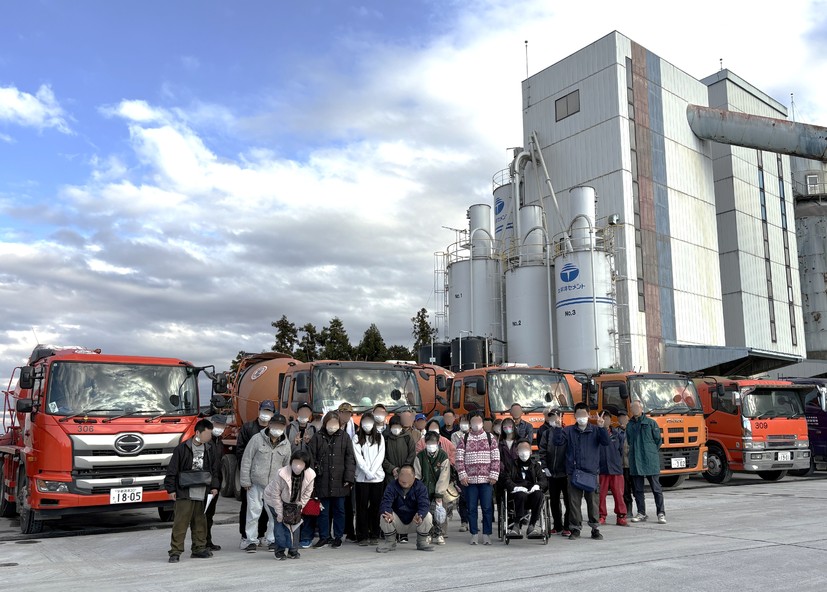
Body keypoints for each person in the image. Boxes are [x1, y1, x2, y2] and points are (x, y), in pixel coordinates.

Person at [164, 418, 220, 563]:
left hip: (203, 490)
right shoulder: (182, 449)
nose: (209, 437)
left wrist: (214, 486)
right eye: (207, 434)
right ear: (197, 433)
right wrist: (170, 489)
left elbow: (215, 469)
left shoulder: (210, 448)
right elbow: (172, 470)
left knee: (200, 521)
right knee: (180, 522)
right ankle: (175, 551)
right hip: (185, 490)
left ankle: (199, 548)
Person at [554, 403, 610, 541]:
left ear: (588, 414)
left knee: (593, 502)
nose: (581, 417)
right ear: (574, 416)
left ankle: (595, 528)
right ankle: (575, 528)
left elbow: (606, 442)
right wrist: (556, 427)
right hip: (574, 472)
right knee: (574, 502)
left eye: (583, 414)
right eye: (578, 414)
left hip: (591, 472)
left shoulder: (596, 430)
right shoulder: (568, 431)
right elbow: (557, 442)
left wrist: (602, 427)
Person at [239, 413, 292, 553]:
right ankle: (251, 540)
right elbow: (246, 460)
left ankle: (271, 540)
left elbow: (287, 466)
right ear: (270, 424)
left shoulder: (286, 445)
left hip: (274, 486)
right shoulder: (256, 439)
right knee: (253, 513)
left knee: (274, 515)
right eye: (275, 425)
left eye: (281, 426)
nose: (277, 428)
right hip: (255, 483)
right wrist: (245, 480)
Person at [308, 410, 356, 548]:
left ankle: (338, 536)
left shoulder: (345, 437)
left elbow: (350, 458)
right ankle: (324, 536)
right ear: (325, 423)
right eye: (330, 422)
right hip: (322, 479)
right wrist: (312, 477)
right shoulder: (317, 437)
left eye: (335, 423)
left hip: (340, 480)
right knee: (323, 510)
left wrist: (349, 478)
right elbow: (311, 457)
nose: (332, 425)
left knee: (339, 510)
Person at [235, 400, 276, 549]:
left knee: (267, 511)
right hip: (253, 478)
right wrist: (247, 476)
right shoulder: (248, 428)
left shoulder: (274, 431)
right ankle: (246, 537)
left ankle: (261, 535)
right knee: (249, 509)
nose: (266, 414)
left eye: (269, 411)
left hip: (269, 480)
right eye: (264, 410)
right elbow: (241, 452)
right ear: (259, 410)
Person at [456, 410, 500, 545]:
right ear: (469, 423)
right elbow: (459, 459)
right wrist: (462, 475)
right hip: (470, 481)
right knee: (472, 508)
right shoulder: (464, 438)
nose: (476, 424)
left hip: (486, 480)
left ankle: (487, 534)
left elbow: (496, 457)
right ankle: (474, 533)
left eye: (478, 421)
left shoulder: (490, 437)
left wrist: (493, 475)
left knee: (487, 508)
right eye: (473, 421)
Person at [264, 450, 316, 560]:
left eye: (301, 463)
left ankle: (293, 550)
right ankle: (279, 551)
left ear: (306, 465)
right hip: (274, 500)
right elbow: (275, 494)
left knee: (295, 524)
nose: (297, 466)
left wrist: (299, 507)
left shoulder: (310, 475)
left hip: (293, 503)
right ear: (291, 461)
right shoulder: (281, 473)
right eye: (295, 462)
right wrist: (279, 512)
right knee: (280, 524)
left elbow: (307, 493)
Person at [376, 465, 435, 552]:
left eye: (408, 476)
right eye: (402, 475)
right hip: (396, 521)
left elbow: (424, 504)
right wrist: (388, 513)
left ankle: (421, 542)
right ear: (398, 476)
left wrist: (420, 515)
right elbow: (385, 503)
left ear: (414, 477)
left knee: (428, 516)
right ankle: (390, 542)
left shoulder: (420, 487)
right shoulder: (391, 486)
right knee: (384, 515)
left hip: (414, 521)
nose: (404, 479)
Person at [626, 400, 666, 524]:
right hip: (635, 460)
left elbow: (658, 441)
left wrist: (650, 452)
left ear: (642, 408)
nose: (635, 410)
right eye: (633, 408)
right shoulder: (630, 425)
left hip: (650, 460)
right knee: (638, 489)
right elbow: (629, 440)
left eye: (637, 407)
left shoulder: (650, 423)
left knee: (656, 488)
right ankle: (641, 512)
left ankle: (661, 513)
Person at [352, 412, 386, 546]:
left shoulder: (379, 437)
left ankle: (374, 534)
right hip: (362, 478)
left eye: (369, 421)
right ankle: (362, 535)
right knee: (361, 508)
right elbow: (358, 457)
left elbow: (380, 455)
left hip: (377, 478)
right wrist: (366, 471)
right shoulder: (356, 438)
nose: (367, 424)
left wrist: (373, 472)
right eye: (364, 421)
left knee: (375, 507)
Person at [382, 414, 416, 543]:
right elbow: (382, 456)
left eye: (398, 426)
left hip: (405, 475)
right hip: (391, 475)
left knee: (405, 503)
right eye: (393, 426)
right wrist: (392, 468)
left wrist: (403, 470)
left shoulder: (407, 437)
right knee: (392, 502)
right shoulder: (385, 438)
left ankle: (404, 533)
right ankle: (392, 531)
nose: (396, 428)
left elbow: (412, 454)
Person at [414, 431, 451, 544]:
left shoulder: (443, 456)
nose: (431, 445)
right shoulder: (420, 456)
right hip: (424, 489)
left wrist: (439, 493)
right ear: (425, 443)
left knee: (439, 513)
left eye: (433, 442)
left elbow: (444, 476)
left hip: (439, 488)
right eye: (429, 442)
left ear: (438, 442)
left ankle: (439, 534)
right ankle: (428, 533)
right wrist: (419, 490)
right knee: (426, 512)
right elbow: (417, 475)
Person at [505, 439, 547, 537]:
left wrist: (538, 485)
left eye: (526, 449)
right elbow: (506, 479)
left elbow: (544, 480)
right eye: (521, 449)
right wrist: (515, 487)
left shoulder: (536, 466)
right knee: (521, 495)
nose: (524, 452)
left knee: (539, 494)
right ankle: (516, 525)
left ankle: (532, 525)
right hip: (517, 495)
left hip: (531, 493)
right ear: (517, 452)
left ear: (531, 451)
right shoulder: (511, 465)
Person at [539, 409, 571, 536]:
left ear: (561, 417)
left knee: (568, 501)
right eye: (551, 417)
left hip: (565, 473)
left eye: (556, 417)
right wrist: (545, 467)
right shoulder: (546, 434)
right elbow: (542, 451)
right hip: (551, 473)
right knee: (554, 500)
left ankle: (568, 526)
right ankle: (557, 525)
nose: (554, 419)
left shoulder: (567, 432)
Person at [598, 412, 628, 526]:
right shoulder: (597, 433)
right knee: (601, 495)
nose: (606, 421)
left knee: (619, 494)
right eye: (603, 418)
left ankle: (621, 516)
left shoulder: (617, 434)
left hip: (616, 469)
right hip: (602, 469)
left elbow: (621, 450)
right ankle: (601, 516)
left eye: (607, 419)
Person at [205, 414, 227, 552]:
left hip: (216, 483)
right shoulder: (206, 442)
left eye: (221, 426)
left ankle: (208, 541)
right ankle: (201, 543)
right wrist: (213, 484)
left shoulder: (219, 442)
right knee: (203, 515)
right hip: (207, 484)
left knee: (210, 515)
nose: (219, 428)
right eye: (217, 425)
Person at [337, 402, 357, 542]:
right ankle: (334, 533)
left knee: (349, 504)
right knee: (335, 504)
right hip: (333, 469)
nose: (346, 415)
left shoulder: (354, 429)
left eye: (348, 413)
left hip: (348, 469)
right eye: (343, 412)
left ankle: (349, 531)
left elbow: (351, 455)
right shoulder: (331, 426)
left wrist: (349, 475)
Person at [451, 415, 471, 532]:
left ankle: (472, 520)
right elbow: (454, 451)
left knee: (472, 497)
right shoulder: (455, 435)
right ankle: (464, 521)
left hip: (474, 469)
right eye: (462, 421)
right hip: (460, 468)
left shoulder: (475, 435)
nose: (464, 424)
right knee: (463, 496)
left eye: (467, 422)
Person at [617, 410, 635, 516]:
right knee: (625, 490)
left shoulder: (632, 430)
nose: (621, 419)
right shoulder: (616, 431)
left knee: (637, 489)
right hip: (621, 465)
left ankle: (641, 510)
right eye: (619, 417)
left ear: (628, 417)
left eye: (623, 417)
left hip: (632, 464)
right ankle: (628, 510)